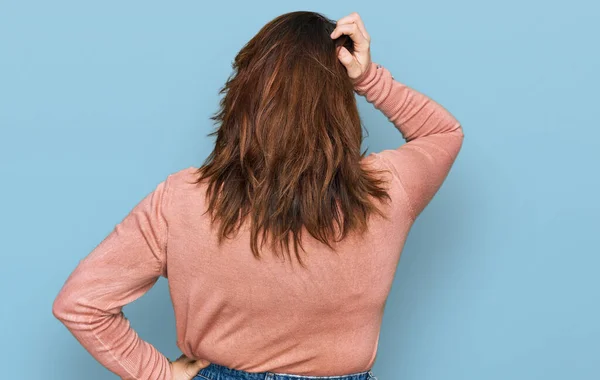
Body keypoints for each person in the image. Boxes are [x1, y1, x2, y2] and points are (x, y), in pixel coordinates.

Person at [52, 10, 464, 380]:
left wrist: (158, 375)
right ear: (339, 102)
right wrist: (369, 78)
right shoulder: (387, 189)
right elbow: (443, 134)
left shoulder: (182, 199)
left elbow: (81, 303)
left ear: (242, 94)